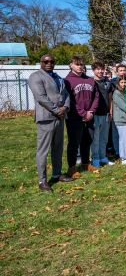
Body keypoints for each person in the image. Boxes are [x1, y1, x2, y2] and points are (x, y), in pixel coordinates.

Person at [29, 54, 73, 192]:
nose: (49, 63)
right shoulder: (36, 76)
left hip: (59, 118)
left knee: (58, 148)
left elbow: (66, 94)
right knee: (43, 150)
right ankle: (42, 181)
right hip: (46, 117)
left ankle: (56, 174)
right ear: (40, 62)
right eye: (46, 61)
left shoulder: (58, 77)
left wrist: (65, 108)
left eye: (52, 61)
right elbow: (40, 97)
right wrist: (56, 110)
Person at [65, 56, 98, 176]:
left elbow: (96, 97)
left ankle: (85, 163)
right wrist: (83, 113)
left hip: (89, 117)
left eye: (82, 64)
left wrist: (91, 111)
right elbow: (69, 100)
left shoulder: (90, 80)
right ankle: (72, 167)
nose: (80, 67)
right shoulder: (68, 81)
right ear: (71, 65)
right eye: (77, 64)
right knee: (74, 143)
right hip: (74, 118)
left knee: (87, 140)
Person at [91, 61, 114, 169]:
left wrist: (110, 112)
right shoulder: (90, 82)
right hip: (95, 114)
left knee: (104, 137)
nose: (100, 71)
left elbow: (110, 98)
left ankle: (103, 156)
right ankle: (95, 158)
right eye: (98, 69)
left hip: (105, 113)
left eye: (102, 69)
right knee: (95, 138)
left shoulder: (107, 82)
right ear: (93, 70)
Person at [112, 76, 126, 165]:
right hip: (121, 119)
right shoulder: (117, 93)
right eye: (122, 83)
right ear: (118, 84)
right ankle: (124, 158)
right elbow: (124, 106)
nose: (124, 84)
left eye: (125, 82)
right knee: (124, 139)